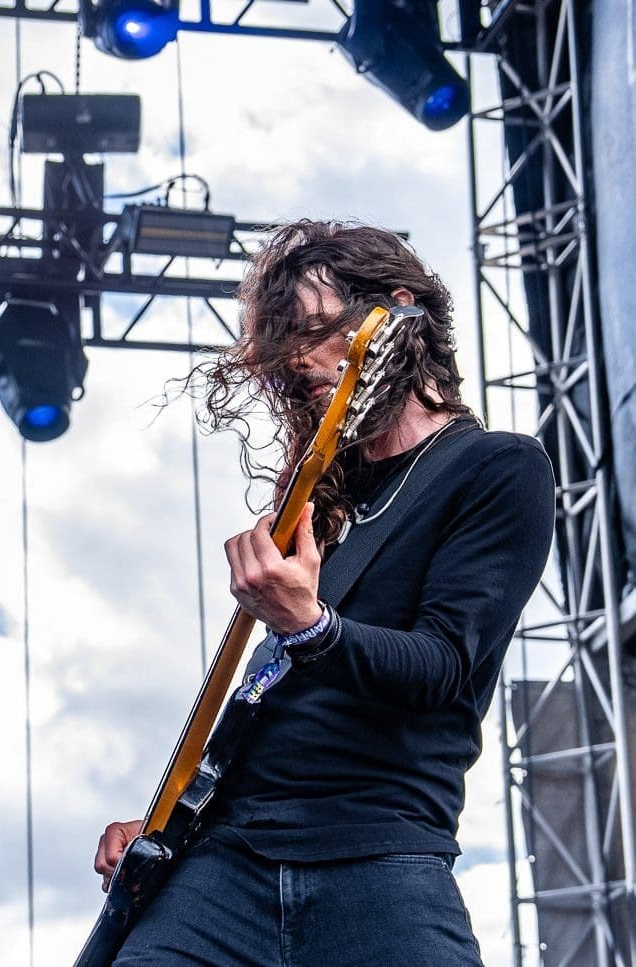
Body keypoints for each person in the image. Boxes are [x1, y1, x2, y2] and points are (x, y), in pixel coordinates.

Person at [94, 221, 555, 964]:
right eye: (285, 345)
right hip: (225, 861)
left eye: (316, 330)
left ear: (397, 310)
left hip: (380, 853)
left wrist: (310, 625)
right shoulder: (318, 496)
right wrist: (166, 817)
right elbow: (267, 696)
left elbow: (443, 670)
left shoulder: (497, 468)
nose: (301, 360)